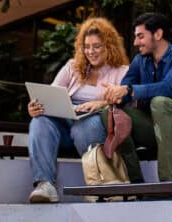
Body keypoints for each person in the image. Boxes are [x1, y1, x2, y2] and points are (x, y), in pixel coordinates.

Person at [27, 17, 130, 203]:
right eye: (87, 46)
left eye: (97, 46)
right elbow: (51, 93)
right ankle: (45, 185)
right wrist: (37, 106)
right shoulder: (72, 67)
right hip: (65, 124)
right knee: (39, 122)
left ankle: (97, 184)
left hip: (93, 122)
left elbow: (128, 102)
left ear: (109, 46)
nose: (91, 51)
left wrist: (101, 104)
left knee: (85, 126)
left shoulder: (122, 71)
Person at [101, 12, 172, 183]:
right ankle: (135, 183)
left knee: (160, 102)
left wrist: (128, 90)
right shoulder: (139, 61)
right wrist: (115, 95)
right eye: (135, 37)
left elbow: (168, 88)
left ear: (158, 34)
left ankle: (167, 184)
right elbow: (125, 91)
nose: (135, 43)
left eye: (140, 36)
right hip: (156, 128)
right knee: (109, 112)